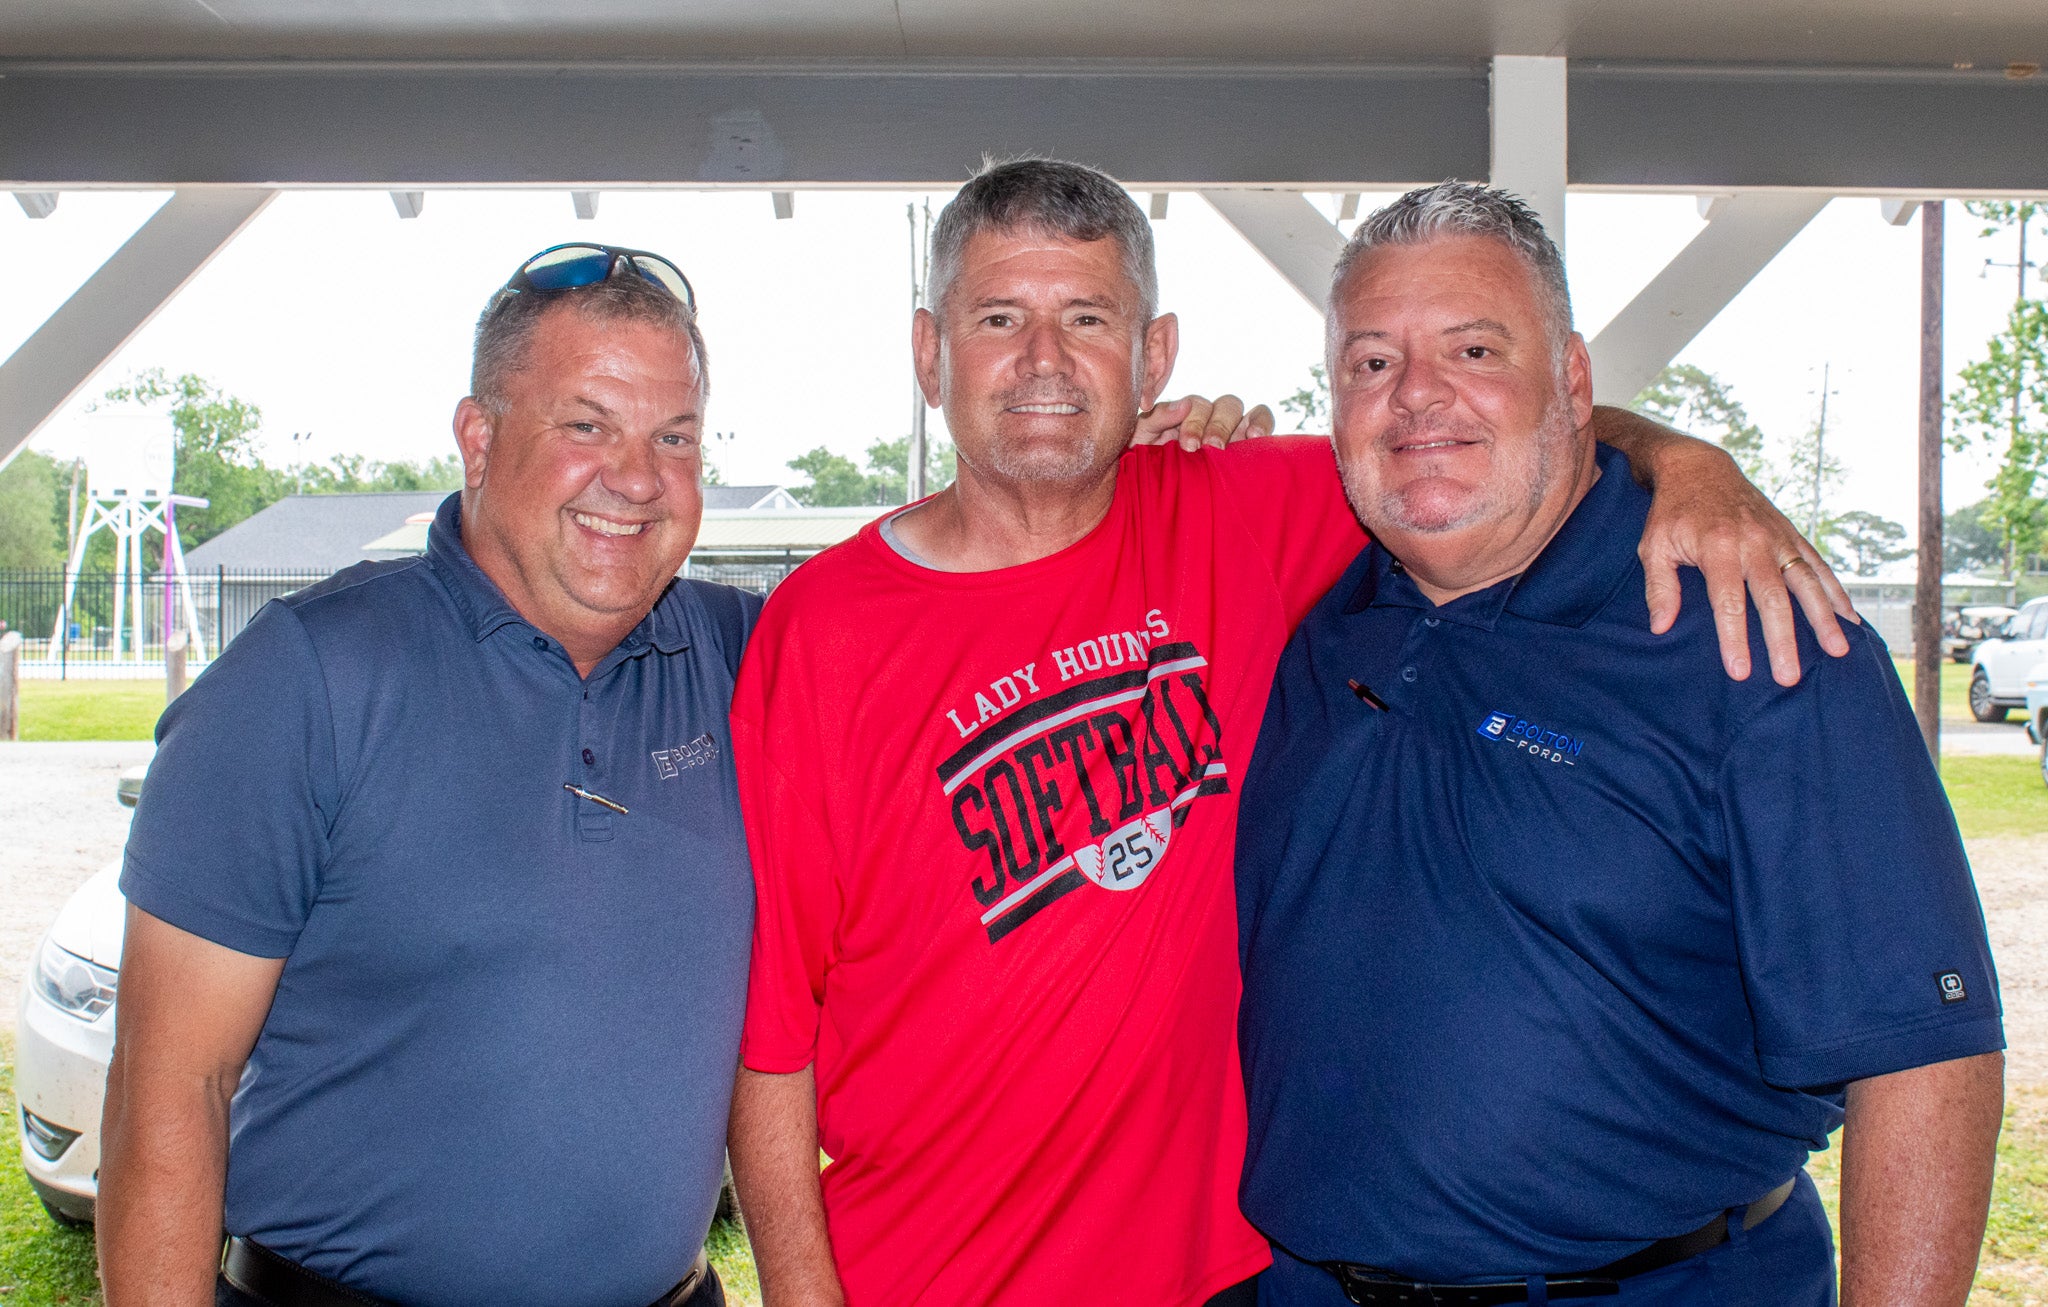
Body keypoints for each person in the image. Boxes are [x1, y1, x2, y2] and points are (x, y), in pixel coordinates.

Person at [725, 158, 1855, 1307]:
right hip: (926, 1273)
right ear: (929, 353)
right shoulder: (820, 629)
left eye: (1086, 318)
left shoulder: (1244, 508)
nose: (1043, 361)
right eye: (998, 318)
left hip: (1222, 1272)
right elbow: (769, 1041)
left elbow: (1480, 427)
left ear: (1152, 355)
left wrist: (1683, 461)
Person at [1235, 183, 2005, 1307]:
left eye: (1473, 347)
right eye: (1369, 362)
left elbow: (1923, 1055)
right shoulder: (1312, 618)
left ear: (1572, 382)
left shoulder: (1755, 636)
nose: (1415, 397)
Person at [99, 244, 758, 1307]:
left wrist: (1128, 483)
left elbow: (969, 636)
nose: (636, 479)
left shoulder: (745, 658)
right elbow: (168, 1090)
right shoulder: (303, 679)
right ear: (479, 437)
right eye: (585, 424)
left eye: (673, 436)